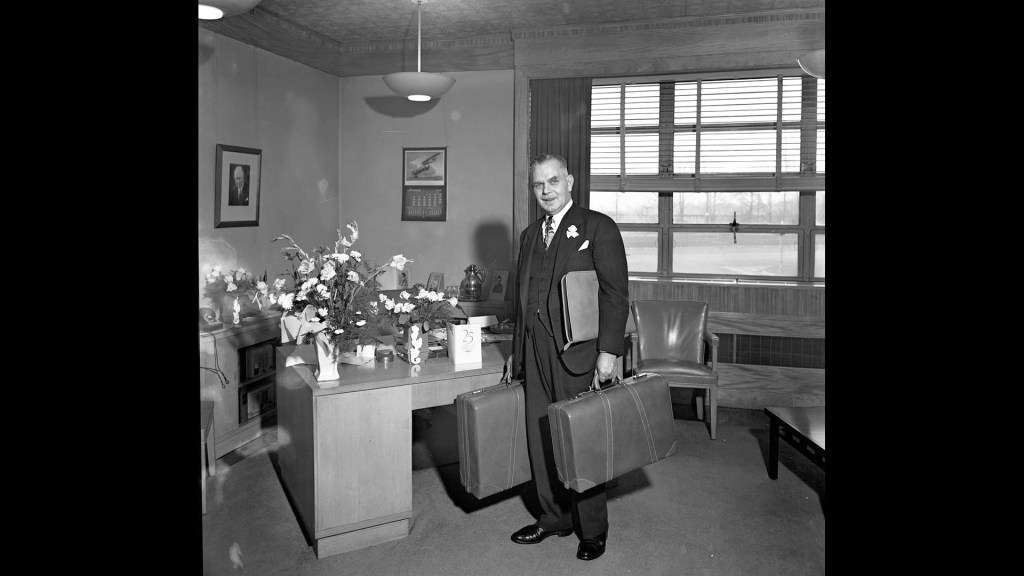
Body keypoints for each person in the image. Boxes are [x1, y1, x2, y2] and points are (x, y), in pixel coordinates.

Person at [509, 153, 629, 561]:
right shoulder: (529, 235)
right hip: (534, 349)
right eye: (538, 185)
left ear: (570, 181)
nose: (546, 191)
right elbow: (521, 302)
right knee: (540, 437)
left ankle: (592, 529)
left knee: (582, 439)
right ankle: (554, 516)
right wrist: (515, 354)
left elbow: (615, 294)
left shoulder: (598, 227)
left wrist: (608, 353)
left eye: (553, 181)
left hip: (579, 352)